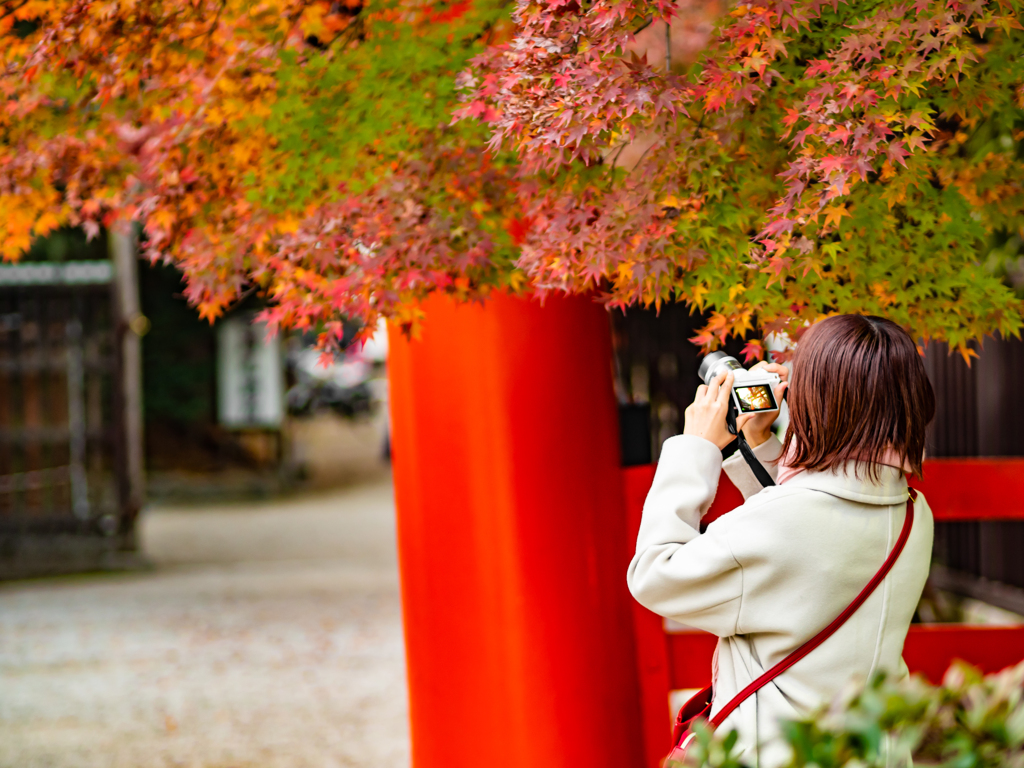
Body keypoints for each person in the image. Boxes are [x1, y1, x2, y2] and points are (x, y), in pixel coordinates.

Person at [626, 315, 935, 768]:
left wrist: (695, 448)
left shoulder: (785, 523)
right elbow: (808, 540)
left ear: (816, 403)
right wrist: (761, 441)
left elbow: (654, 574)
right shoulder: (912, 511)